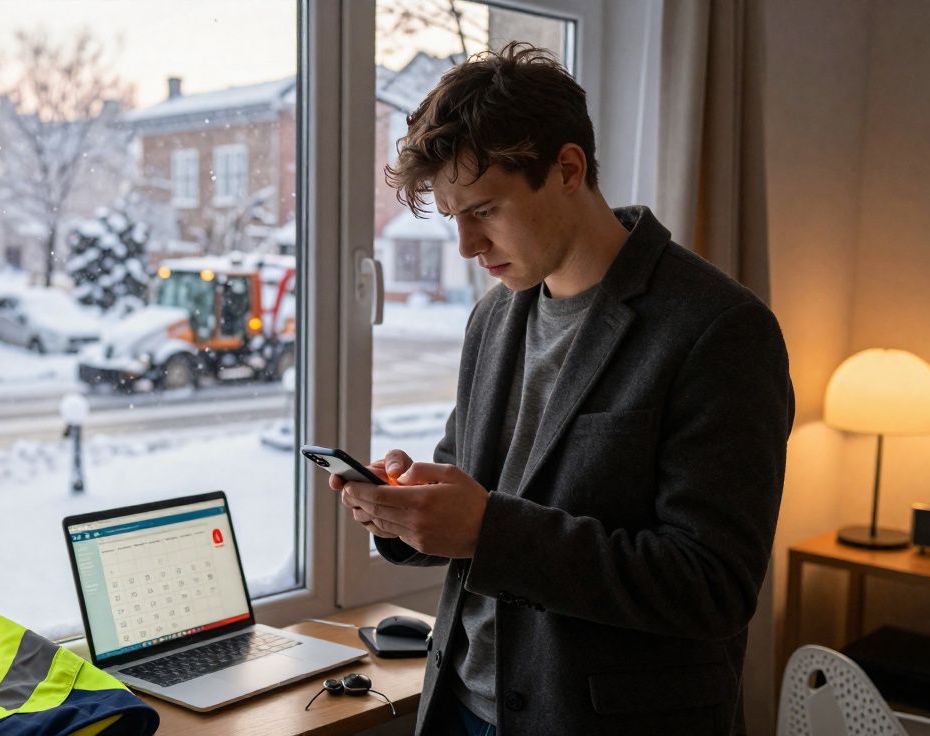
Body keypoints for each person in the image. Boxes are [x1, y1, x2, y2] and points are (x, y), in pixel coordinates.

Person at [330, 42, 794, 735]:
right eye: (453, 217)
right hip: (460, 703)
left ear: (568, 169)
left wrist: (488, 530)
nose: (466, 246)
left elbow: (711, 586)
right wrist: (405, 511)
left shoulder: (719, 328)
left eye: (485, 210)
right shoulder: (493, 317)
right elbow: (471, 494)